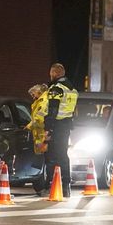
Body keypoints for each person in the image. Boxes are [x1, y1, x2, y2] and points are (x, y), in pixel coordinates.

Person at [44, 63, 79, 197]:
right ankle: (66, 185)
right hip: (66, 125)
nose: (50, 75)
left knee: (53, 156)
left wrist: (48, 129)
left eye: (51, 73)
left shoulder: (56, 89)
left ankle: (51, 185)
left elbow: (52, 110)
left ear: (56, 73)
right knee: (63, 155)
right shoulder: (72, 89)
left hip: (57, 125)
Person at [26, 84, 50, 194]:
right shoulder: (39, 101)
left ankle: (45, 186)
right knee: (42, 161)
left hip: (43, 136)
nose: (32, 96)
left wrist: (29, 126)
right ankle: (43, 187)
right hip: (39, 136)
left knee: (45, 162)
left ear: (39, 92)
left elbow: (39, 119)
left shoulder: (43, 101)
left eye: (33, 94)